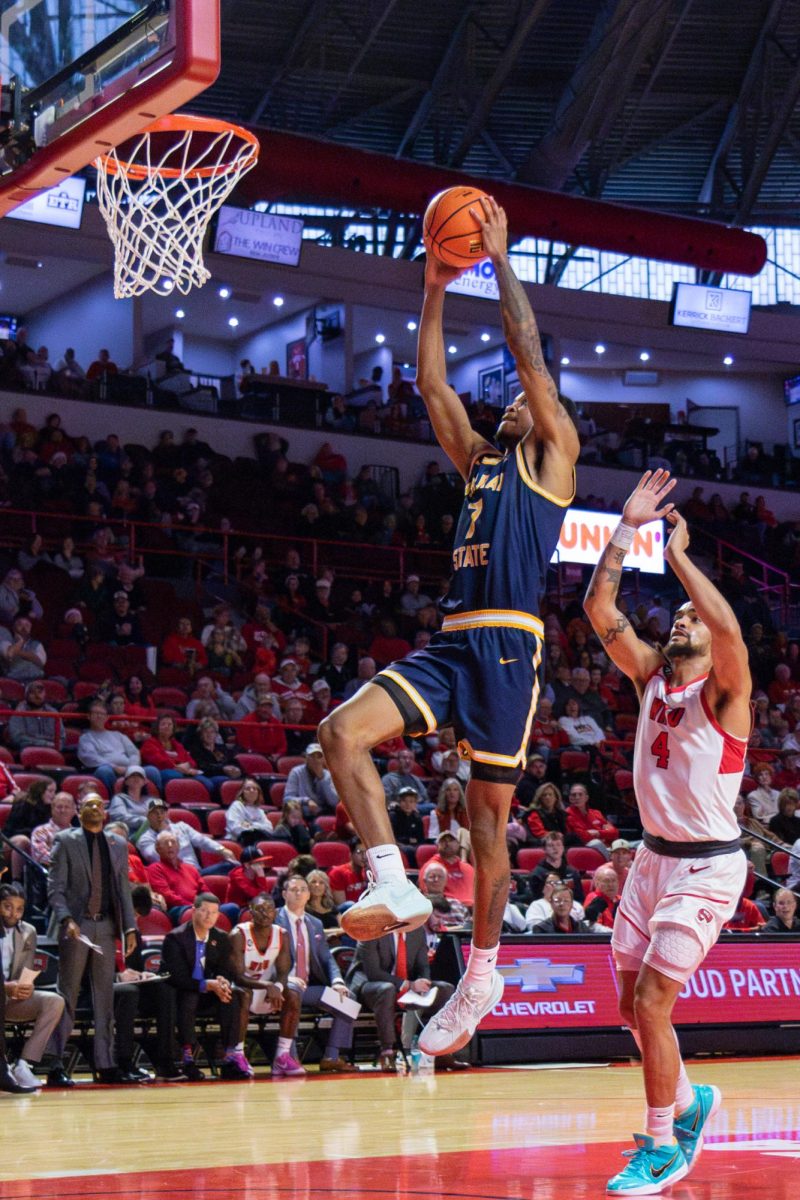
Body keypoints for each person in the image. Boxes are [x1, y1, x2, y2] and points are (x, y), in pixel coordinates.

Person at [318, 195, 579, 1058]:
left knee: (490, 822)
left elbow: (529, 356)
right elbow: (431, 384)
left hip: (508, 646)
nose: (507, 401)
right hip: (453, 638)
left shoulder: (551, 457)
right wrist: (433, 283)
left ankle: (483, 970)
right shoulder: (479, 463)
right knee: (340, 734)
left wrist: (499, 260)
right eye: (502, 402)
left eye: (522, 401)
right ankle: (392, 881)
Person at [583, 469, 752, 1194]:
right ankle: (691, 1102)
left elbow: (730, 628)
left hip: (707, 868)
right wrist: (627, 531)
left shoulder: (728, 691)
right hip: (652, 862)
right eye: (677, 613)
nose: (681, 620)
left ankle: (664, 1146)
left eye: (692, 617)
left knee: (653, 1004)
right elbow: (598, 607)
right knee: (628, 1008)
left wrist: (681, 556)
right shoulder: (652, 674)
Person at [45, 793, 138, 1087]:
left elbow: (123, 889)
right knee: (67, 996)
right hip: (77, 926)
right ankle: (55, 1063)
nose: (94, 808)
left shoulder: (118, 844)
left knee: (105, 998)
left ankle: (105, 1063)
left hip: (107, 926)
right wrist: (66, 919)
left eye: (99, 805)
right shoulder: (66, 839)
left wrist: (130, 929)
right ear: (79, 811)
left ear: (106, 812)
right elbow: (55, 888)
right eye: (88, 804)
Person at [159, 893, 252, 1080]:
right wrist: (205, 985)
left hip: (209, 992)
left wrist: (222, 980)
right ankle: (188, 1058)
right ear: (193, 911)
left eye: (214, 913)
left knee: (232, 995)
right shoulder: (175, 938)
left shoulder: (221, 937)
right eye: (204, 911)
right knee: (190, 996)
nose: (209, 916)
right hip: (181, 991)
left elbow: (226, 969)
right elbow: (176, 977)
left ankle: (229, 1056)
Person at [346, 927, 459, 1071]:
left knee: (445, 989)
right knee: (387, 989)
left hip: (405, 986)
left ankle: (441, 1050)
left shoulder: (416, 931)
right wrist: (408, 984)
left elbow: (423, 966)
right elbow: (373, 973)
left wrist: (423, 981)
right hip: (369, 987)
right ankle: (387, 1052)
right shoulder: (371, 931)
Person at [274, 875, 356, 1072]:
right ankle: (288, 1056)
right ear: (284, 894)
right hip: (283, 986)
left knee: (348, 1000)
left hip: (309, 987)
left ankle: (332, 1056)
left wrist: (337, 981)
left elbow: (327, 958)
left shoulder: (315, 923)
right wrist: (284, 980)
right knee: (293, 993)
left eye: (303, 889)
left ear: (309, 895)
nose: (299, 893)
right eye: (294, 890)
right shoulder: (275, 919)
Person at [0, 883, 65, 1088]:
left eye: (19, 909)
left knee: (55, 1001)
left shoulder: (29, 932)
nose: (13, 913)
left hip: (11, 998)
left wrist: (24, 986)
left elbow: (25, 971)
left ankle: (24, 1064)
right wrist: (4, 987)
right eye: (7, 907)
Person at [228, 894, 297, 1075]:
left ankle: (282, 1056)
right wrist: (267, 986)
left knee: (293, 995)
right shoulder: (238, 934)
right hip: (240, 990)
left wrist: (277, 988)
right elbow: (237, 977)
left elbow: (283, 972)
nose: (265, 914)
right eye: (260, 910)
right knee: (244, 993)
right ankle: (238, 1053)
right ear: (251, 912)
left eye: (269, 909)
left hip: (265, 989)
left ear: (275, 912)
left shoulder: (281, 934)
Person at [77, 701, 161, 794]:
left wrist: (132, 767)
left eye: (102, 714)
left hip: (129, 769)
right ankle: (115, 800)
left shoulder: (118, 735)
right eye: (96, 713)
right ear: (89, 716)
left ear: (107, 717)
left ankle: (156, 803)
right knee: (104, 771)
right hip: (108, 770)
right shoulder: (86, 738)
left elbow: (134, 752)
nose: (99, 716)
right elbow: (90, 758)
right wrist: (114, 767)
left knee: (152, 771)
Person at [283, 743, 338, 821]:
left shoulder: (328, 775)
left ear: (323, 759)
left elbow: (334, 802)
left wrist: (322, 778)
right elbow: (287, 799)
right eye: (312, 756)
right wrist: (306, 801)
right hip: (304, 814)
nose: (315, 760)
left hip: (325, 813)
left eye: (319, 756)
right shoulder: (296, 772)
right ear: (306, 758)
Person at [527, 830, 584, 902]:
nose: (555, 848)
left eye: (558, 844)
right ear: (544, 849)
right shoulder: (537, 875)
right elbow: (536, 901)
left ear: (563, 848)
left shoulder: (573, 872)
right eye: (551, 845)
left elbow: (579, 899)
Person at [565, 783, 618, 856]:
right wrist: (604, 834)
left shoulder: (596, 813)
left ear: (586, 798)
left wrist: (598, 833)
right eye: (574, 795)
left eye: (580, 794)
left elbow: (614, 832)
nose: (577, 797)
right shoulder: (567, 814)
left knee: (635, 844)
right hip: (584, 847)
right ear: (570, 798)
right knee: (596, 842)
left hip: (606, 847)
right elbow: (582, 836)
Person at [224, 778, 275, 845]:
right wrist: (259, 827)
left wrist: (251, 824)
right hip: (236, 842)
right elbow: (236, 828)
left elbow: (269, 829)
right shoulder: (236, 806)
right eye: (248, 789)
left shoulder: (260, 811)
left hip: (256, 842)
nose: (252, 790)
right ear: (242, 792)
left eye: (255, 789)